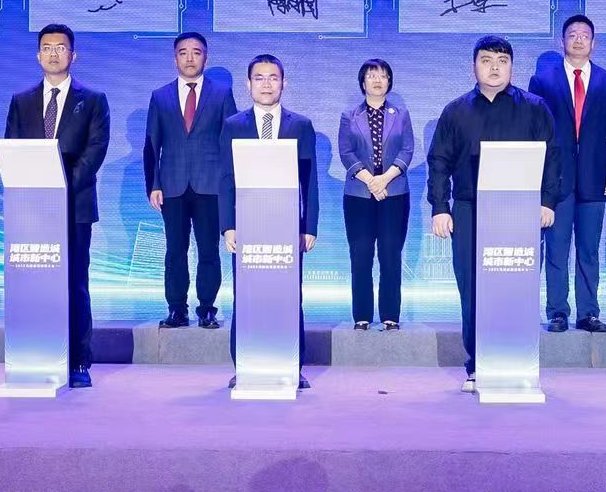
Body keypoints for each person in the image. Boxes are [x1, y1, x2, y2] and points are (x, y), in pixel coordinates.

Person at [428, 35, 561, 393]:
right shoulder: (456, 111)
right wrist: (440, 208)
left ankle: (517, 361)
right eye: (486, 60)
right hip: (469, 210)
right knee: (472, 288)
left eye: (502, 61)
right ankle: (477, 364)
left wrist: (547, 202)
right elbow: (439, 162)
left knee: (516, 286)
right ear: (474, 66)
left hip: (520, 210)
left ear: (512, 67)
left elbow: (552, 156)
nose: (494, 68)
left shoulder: (535, 108)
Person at [4, 24, 110, 389]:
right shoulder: (21, 100)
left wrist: (59, 186)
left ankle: (79, 360)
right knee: (34, 284)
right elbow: (14, 148)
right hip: (32, 210)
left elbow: (95, 151)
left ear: (73, 55)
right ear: (38, 55)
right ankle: (37, 353)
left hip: (75, 207)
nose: (53, 53)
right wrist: (36, 192)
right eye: (47, 47)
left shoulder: (93, 100)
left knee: (75, 282)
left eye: (60, 47)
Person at [220, 54, 319, 389]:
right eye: (259, 78)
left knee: (289, 296)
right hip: (247, 224)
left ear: (284, 83)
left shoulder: (301, 125)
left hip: (287, 225)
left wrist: (309, 226)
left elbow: (309, 181)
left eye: (273, 78)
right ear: (248, 84)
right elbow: (225, 178)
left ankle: (293, 365)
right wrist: (228, 225)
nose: (266, 84)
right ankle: (244, 364)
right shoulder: (233, 125)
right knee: (246, 296)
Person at [527, 14, 606, 333]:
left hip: (596, 178)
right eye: (573, 34)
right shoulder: (543, 81)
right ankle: (558, 311)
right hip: (556, 179)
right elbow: (535, 132)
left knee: (589, 249)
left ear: (593, 43)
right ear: (563, 41)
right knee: (556, 248)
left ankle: (588, 312)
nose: (579, 39)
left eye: (585, 35)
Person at [143, 31, 237, 330]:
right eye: (183, 53)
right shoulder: (160, 96)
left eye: (196, 52)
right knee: (175, 251)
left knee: (209, 250)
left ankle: (207, 309)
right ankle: (176, 309)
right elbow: (152, 144)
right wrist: (153, 184)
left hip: (210, 185)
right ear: (175, 59)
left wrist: (229, 186)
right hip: (172, 186)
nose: (189, 58)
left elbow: (231, 143)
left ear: (205, 57)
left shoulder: (221, 94)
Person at [338, 59, 415, 331]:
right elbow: (346, 152)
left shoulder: (401, 114)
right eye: (372, 75)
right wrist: (371, 181)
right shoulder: (349, 115)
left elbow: (407, 150)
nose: (377, 80)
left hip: (394, 194)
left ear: (389, 81)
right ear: (363, 82)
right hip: (359, 195)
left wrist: (384, 179)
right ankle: (361, 315)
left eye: (383, 75)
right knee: (360, 255)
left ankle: (390, 315)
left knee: (390, 254)